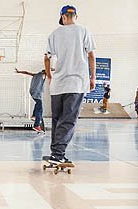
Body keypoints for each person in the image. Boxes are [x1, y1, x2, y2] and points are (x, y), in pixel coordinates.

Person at [43, 4, 96, 165]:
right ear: (75, 17)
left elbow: (46, 57)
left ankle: (55, 153)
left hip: (58, 84)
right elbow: (91, 55)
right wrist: (92, 77)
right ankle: (58, 155)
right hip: (76, 83)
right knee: (69, 119)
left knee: (57, 119)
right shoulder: (84, 31)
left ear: (63, 17)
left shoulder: (54, 34)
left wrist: (50, 75)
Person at [15, 68, 46, 132]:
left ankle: (34, 116)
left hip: (32, 92)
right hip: (37, 93)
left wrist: (19, 71)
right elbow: (51, 69)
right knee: (40, 110)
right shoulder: (43, 75)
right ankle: (36, 125)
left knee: (37, 104)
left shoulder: (36, 75)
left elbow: (26, 72)